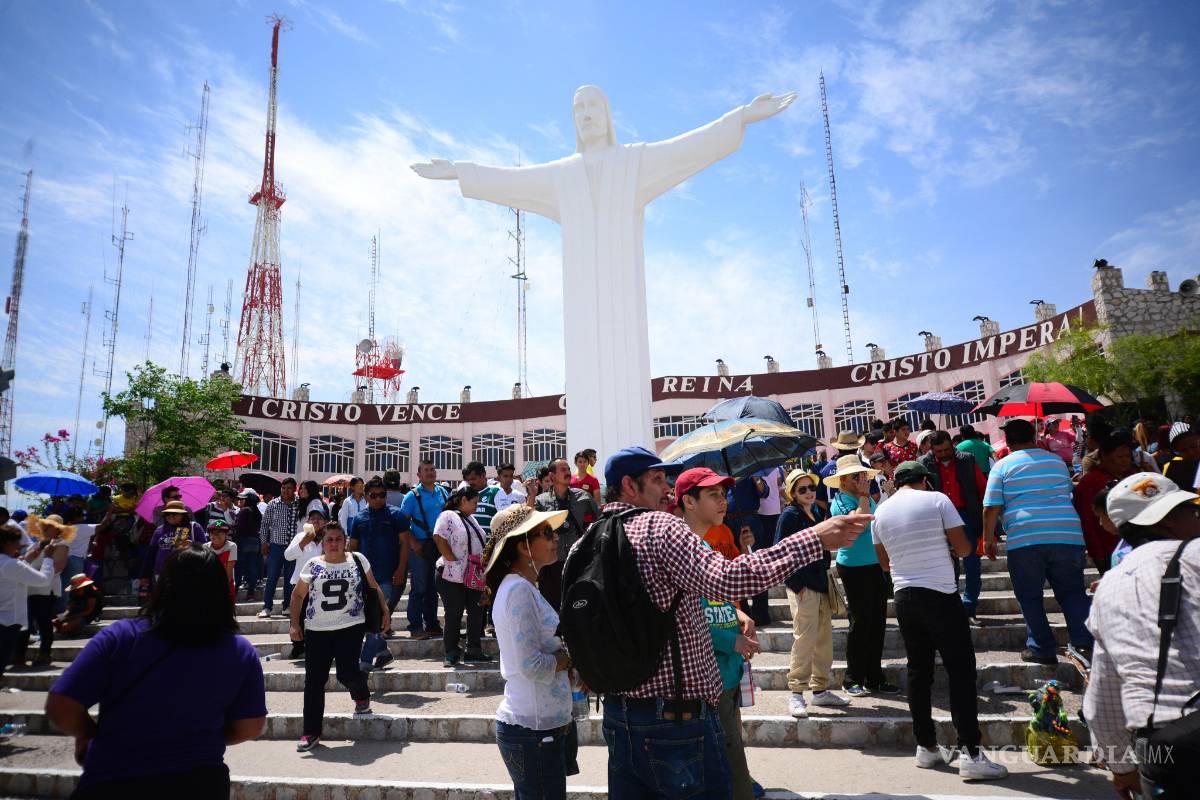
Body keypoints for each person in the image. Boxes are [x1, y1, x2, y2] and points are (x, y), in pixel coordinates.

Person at [587, 446, 871, 798]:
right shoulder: (659, 527)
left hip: (617, 715)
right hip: (676, 721)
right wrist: (814, 539)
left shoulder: (587, 541)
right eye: (658, 479)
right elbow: (729, 579)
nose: (667, 489)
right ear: (629, 485)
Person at [45, 545, 267, 795]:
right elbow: (251, 726)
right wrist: (203, 739)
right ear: (220, 591)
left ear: (164, 585)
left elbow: (61, 703)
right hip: (200, 779)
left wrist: (88, 734)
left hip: (116, 773)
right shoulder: (239, 650)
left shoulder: (121, 636)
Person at [871, 461, 1008, 780]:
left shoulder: (881, 512)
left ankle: (927, 747)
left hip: (905, 597)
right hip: (941, 594)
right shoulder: (937, 500)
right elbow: (964, 547)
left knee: (919, 671)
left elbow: (884, 563)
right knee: (960, 671)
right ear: (923, 480)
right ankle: (971, 753)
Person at [1084, 472, 1200, 799]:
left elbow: (1102, 703)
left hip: (1164, 752)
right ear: (1169, 522)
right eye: (1189, 510)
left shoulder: (1108, 587)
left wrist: (1122, 769)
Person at [675, 467, 760, 800]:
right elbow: (683, 621)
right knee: (726, 769)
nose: (722, 500)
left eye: (723, 493)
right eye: (712, 494)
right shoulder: (681, 550)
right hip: (705, 677)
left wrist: (738, 613)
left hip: (728, 671)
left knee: (733, 751)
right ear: (689, 502)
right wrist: (731, 640)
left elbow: (714, 598)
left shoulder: (706, 543)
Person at [982, 418, 1093, 665]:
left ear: (1008, 442)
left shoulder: (1002, 466)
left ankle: (1042, 648)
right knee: (1073, 593)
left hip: (1025, 537)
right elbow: (1067, 493)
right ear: (1032, 438)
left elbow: (991, 508)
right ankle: (1084, 643)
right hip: (1067, 534)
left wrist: (988, 540)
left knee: (1029, 595)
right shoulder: (1056, 462)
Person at [482, 504, 574, 799]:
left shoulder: (524, 587)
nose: (555, 538)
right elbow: (530, 665)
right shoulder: (518, 591)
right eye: (546, 533)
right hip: (533, 731)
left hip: (542, 728)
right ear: (523, 546)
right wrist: (571, 658)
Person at [290, 522, 389, 751]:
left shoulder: (357, 559)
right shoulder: (313, 564)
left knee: (347, 672)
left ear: (345, 540)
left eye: (337, 538)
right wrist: (294, 624)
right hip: (317, 629)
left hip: (350, 625)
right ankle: (311, 732)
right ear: (322, 543)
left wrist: (384, 611)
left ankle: (361, 696)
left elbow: (373, 587)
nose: (333, 543)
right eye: (328, 539)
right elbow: (297, 596)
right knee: (314, 681)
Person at [775, 469, 849, 718]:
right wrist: (797, 585)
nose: (808, 492)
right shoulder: (789, 516)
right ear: (792, 494)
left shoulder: (816, 512)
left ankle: (820, 690)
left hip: (820, 582)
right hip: (803, 586)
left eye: (811, 488)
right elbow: (781, 552)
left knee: (823, 639)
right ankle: (796, 693)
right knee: (804, 639)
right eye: (802, 489)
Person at [825, 454, 899, 696]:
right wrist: (865, 496)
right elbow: (862, 525)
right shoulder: (841, 502)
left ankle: (875, 677)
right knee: (860, 622)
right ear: (845, 480)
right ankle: (852, 678)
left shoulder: (863, 498)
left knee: (877, 622)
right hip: (854, 567)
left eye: (863, 475)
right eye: (856, 476)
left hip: (875, 564)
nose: (862, 480)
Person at [920, 431, 988, 624]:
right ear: (932, 450)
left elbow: (982, 488)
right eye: (939, 451)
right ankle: (951, 607)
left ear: (953, 445)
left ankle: (969, 609)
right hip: (938, 518)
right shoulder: (924, 464)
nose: (943, 454)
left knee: (972, 564)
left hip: (967, 515)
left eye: (947, 449)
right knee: (946, 565)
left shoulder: (967, 460)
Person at [349, 476, 412, 664]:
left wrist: (401, 569)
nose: (378, 499)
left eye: (382, 495)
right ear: (366, 496)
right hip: (364, 577)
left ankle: (365, 663)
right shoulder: (359, 518)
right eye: (374, 495)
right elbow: (352, 548)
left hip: (388, 576)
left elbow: (405, 543)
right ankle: (384, 653)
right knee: (371, 619)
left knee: (375, 620)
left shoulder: (396, 515)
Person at [434, 486, 490, 666]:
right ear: (463, 500)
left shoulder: (470, 519)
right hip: (451, 576)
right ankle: (451, 652)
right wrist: (453, 561)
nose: (477, 506)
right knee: (454, 613)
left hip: (472, 574)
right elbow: (438, 537)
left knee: (476, 612)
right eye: (474, 502)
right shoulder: (448, 515)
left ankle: (474, 650)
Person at [533, 457, 599, 610]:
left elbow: (599, 519)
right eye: (563, 470)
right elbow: (529, 526)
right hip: (550, 565)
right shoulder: (541, 501)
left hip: (576, 563)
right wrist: (530, 497)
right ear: (551, 476)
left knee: (577, 608)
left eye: (568, 469)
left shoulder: (582, 496)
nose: (568, 472)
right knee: (552, 610)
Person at [1073, 430, 1136, 574]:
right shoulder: (1090, 482)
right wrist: (1096, 552)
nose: (1125, 460)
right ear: (1104, 456)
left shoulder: (1134, 477)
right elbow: (1087, 519)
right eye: (1119, 456)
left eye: (1127, 456)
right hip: (1108, 548)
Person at [400, 461, 447, 639]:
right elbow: (403, 523)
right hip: (420, 547)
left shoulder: (442, 492)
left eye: (432, 469)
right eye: (426, 470)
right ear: (419, 475)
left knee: (433, 587)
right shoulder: (412, 496)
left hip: (438, 546)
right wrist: (414, 543)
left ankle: (432, 624)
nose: (430, 473)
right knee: (419, 588)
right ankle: (415, 627)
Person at [14, 533, 68, 668]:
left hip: (46, 590)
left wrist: (32, 571)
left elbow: (58, 568)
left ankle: (44, 653)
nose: (44, 530)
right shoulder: (35, 545)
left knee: (43, 621)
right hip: (30, 589)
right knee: (25, 622)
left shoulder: (61, 545)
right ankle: (19, 654)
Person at [285, 506, 328, 660]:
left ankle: (316, 647)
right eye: (312, 518)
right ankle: (297, 646)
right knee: (297, 615)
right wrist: (303, 543)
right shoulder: (300, 537)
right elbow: (288, 556)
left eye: (319, 518)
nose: (316, 521)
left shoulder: (329, 538)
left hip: (321, 586)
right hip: (300, 584)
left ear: (326, 522)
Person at [141, 501, 207, 587]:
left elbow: (206, 548)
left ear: (183, 515)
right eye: (168, 514)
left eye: (175, 513)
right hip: (161, 572)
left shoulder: (194, 527)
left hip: (188, 572)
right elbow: (151, 554)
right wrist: (144, 575)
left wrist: (193, 545)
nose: (171, 516)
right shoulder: (159, 530)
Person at [258, 477, 298, 619]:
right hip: (276, 546)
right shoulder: (273, 504)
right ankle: (267, 607)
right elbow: (264, 525)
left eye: (288, 488)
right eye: (283, 488)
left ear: (294, 489)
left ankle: (287, 606)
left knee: (290, 578)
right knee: (272, 577)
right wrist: (263, 542)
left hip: (293, 548)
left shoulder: (298, 504)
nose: (285, 491)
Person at [234, 489, 263, 602]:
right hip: (255, 541)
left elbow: (238, 526)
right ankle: (251, 593)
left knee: (239, 567)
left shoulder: (244, 510)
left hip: (243, 541)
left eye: (243, 499)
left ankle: (235, 591)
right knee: (252, 567)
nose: (241, 500)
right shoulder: (257, 512)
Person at [54, 573, 103, 637]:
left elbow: (89, 611)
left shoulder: (92, 593)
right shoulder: (74, 593)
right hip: (74, 613)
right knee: (53, 622)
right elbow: (69, 608)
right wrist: (63, 616)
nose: (76, 590)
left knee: (65, 626)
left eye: (78, 588)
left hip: (87, 616)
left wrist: (71, 617)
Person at [204, 519, 238, 600]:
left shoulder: (232, 546)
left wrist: (222, 589)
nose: (215, 536)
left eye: (220, 532)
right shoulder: (205, 547)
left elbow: (229, 572)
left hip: (226, 585)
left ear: (226, 534)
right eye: (212, 533)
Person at [1161, 422, 1199, 490]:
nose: (1191, 453)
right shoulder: (1172, 469)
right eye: (1184, 450)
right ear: (1177, 452)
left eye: (1194, 447)